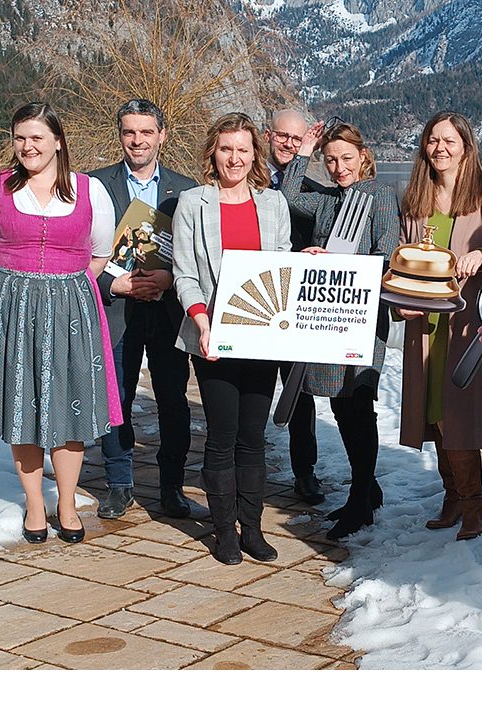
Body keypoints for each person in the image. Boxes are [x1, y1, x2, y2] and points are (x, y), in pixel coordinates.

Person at [0, 101, 120, 545]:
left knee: (72, 407)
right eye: (20, 138)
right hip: (11, 308)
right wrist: (13, 288)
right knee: (22, 407)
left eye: (37, 138)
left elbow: (100, 254)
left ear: (57, 142)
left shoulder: (90, 191)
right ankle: (33, 503)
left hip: (72, 309)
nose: (28, 147)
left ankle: (65, 502)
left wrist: (63, 290)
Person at [172, 112, 293, 565]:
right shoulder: (193, 203)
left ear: (254, 155)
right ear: (213, 153)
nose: (235, 158)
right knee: (221, 435)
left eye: (243, 149)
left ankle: (253, 528)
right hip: (212, 336)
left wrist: (307, 261)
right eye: (226, 149)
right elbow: (184, 273)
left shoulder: (273, 205)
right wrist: (201, 321)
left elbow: (281, 268)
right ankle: (224, 531)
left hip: (261, 337)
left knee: (253, 437)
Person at [396, 111, 482, 541]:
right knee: (433, 416)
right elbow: (401, 264)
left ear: (466, 146)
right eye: (432, 140)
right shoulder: (416, 200)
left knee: (457, 420)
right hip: (425, 328)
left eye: (449, 140)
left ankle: (475, 509)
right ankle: (451, 499)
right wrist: (401, 307)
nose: (440, 148)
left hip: (467, 329)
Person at [280, 120, 401, 541]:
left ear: (363, 156)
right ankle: (366, 491)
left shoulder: (380, 196)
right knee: (341, 406)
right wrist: (304, 151)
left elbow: (386, 252)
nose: (338, 167)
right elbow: (287, 196)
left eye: (346, 158)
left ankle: (360, 499)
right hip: (329, 316)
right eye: (330, 160)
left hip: (364, 318)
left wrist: (331, 258)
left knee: (359, 404)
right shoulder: (327, 201)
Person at [90, 99, 200, 521]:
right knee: (115, 399)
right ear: (120, 135)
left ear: (162, 136)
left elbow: (197, 252)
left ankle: (172, 487)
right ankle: (119, 484)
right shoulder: (95, 186)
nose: (137, 140)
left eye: (146, 132)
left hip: (168, 310)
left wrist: (170, 278)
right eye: (129, 132)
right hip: (116, 308)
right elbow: (79, 250)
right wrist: (110, 283)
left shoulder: (187, 189)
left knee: (173, 401)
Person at [266, 107, 325, 505]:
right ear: (268, 135)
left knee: (299, 393)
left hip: (296, 305)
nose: (289, 144)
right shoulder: (246, 179)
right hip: (255, 300)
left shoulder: (314, 191)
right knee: (250, 391)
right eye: (283, 136)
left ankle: (305, 472)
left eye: (297, 139)